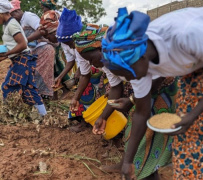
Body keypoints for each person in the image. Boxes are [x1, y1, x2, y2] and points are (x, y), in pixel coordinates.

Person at [100, 7, 203, 179]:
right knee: (188, 149)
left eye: (128, 74)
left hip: (200, 58)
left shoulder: (187, 35)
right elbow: (141, 113)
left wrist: (193, 115)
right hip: (193, 68)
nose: (129, 79)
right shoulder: (133, 63)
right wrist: (128, 162)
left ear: (142, 57)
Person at [72, 24, 178, 179]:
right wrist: (103, 117)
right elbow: (115, 89)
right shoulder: (108, 63)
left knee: (146, 134)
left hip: (164, 87)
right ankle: (135, 166)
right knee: (134, 131)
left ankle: (144, 170)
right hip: (146, 88)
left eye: (92, 59)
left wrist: (131, 100)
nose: (93, 65)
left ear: (101, 48)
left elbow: (156, 78)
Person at [0, 0, 46, 117]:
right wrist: (1, 58)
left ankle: (9, 114)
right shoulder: (7, 25)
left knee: (8, 86)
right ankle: (43, 116)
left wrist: (5, 55)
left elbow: (22, 45)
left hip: (23, 60)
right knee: (30, 89)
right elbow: (13, 46)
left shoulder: (12, 24)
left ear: (0, 13)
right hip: (21, 59)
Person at [9, 0, 55, 100]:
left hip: (44, 50)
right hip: (34, 52)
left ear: (16, 12)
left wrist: (25, 40)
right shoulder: (20, 22)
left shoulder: (29, 16)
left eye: (12, 16)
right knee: (30, 75)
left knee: (40, 76)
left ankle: (40, 100)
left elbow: (42, 30)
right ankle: (33, 99)